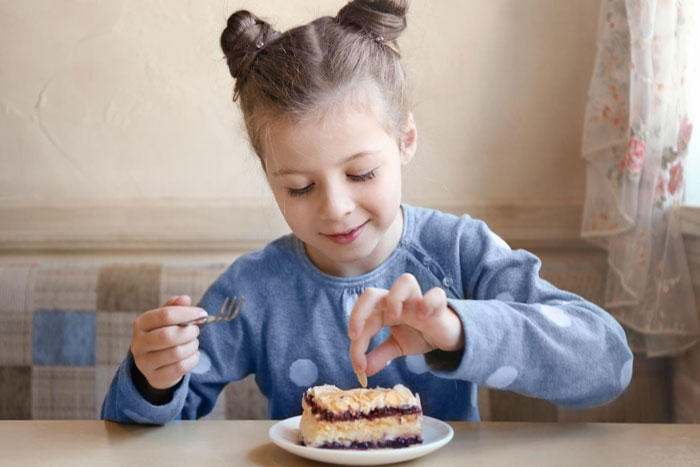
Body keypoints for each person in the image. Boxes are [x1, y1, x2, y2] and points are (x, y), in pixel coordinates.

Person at [101, 0, 633, 424]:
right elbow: (133, 428)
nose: (335, 208)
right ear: (269, 176)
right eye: (299, 186)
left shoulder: (459, 253)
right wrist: (153, 377)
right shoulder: (256, 289)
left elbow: (607, 363)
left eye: (360, 174)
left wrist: (458, 331)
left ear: (406, 139)